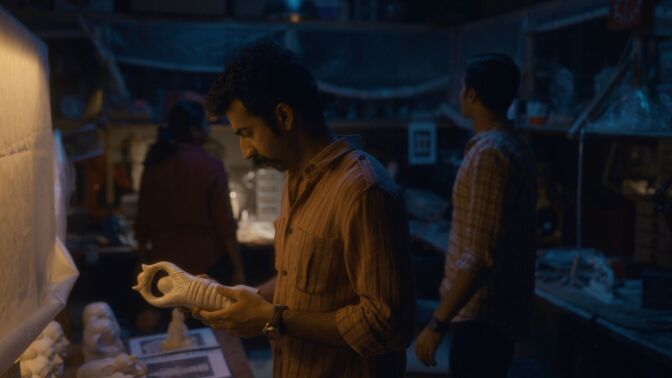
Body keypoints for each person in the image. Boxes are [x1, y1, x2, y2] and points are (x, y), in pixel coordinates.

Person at [194, 41, 416, 377]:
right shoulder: (298, 179)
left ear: (283, 116)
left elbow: (387, 326)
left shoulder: (363, 190)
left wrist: (273, 318)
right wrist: (242, 299)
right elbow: (299, 284)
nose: (246, 151)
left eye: (247, 133)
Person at [414, 54, 537, 378]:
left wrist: (436, 322)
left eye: (461, 88)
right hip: (491, 317)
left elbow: (479, 258)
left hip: (480, 318)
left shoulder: (489, 154)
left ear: (471, 95)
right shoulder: (514, 144)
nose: (458, 96)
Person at [135, 100, 245, 285]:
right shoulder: (210, 165)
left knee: (170, 314)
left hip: (163, 269)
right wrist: (238, 269)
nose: (208, 129)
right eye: (205, 124)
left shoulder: (154, 165)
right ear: (195, 130)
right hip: (205, 267)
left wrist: (144, 264)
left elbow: (142, 224)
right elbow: (225, 225)